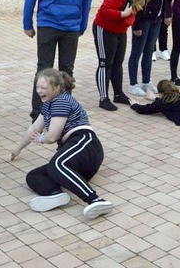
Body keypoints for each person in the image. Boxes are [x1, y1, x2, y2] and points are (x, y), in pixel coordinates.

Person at [11, 69, 113, 219]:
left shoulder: (61, 101)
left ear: (57, 87)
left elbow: (52, 136)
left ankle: (96, 200)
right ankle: (56, 194)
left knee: (57, 165)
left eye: (43, 87)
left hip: (85, 143)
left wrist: (41, 139)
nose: (39, 91)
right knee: (34, 176)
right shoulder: (48, 105)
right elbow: (33, 129)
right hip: (77, 161)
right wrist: (18, 148)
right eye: (37, 87)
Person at [23, 0, 93, 121]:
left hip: (71, 26)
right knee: (44, 69)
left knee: (66, 71)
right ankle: (38, 112)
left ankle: (63, 110)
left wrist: (83, 24)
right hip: (48, 23)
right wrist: (27, 22)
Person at [92, 0, 154, 111]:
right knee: (105, 62)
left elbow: (132, 14)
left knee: (118, 62)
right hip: (104, 29)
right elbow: (104, 12)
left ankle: (118, 94)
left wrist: (130, 15)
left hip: (120, 30)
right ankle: (103, 98)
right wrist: (123, 15)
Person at [128, 0, 176, 98]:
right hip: (143, 20)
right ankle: (133, 84)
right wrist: (136, 26)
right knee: (137, 51)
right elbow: (136, 2)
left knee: (149, 51)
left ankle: (146, 81)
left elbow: (167, 0)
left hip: (156, 19)